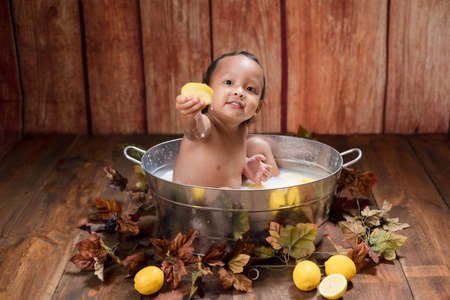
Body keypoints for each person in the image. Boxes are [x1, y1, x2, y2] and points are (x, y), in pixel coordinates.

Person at [173, 51, 279, 188]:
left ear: (258, 108)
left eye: (250, 88)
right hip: (194, 203)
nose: (239, 92)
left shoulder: (241, 131)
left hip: (231, 202)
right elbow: (192, 130)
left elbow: (229, 161)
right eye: (229, 82)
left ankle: (280, 187)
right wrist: (190, 112)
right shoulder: (205, 125)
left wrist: (246, 165)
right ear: (208, 91)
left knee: (259, 145)